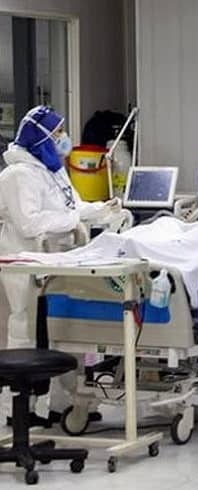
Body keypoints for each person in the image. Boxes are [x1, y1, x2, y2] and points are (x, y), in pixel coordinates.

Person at [0, 105, 119, 426]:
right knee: (26, 331)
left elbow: (72, 206)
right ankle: (20, 410)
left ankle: (63, 404)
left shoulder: (53, 169)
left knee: (62, 330)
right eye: (58, 133)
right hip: (25, 261)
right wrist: (74, 218)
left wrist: (102, 210)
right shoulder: (17, 175)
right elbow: (29, 224)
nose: (63, 138)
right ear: (40, 138)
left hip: (59, 259)